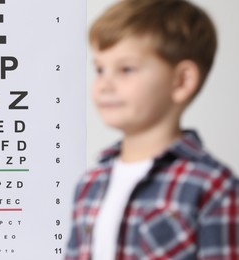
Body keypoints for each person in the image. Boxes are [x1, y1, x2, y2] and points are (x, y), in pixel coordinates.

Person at [65, 0, 239, 259]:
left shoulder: (211, 186)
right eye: (100, 69)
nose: (104, 84)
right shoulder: (90, 184)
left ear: (182, 81)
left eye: (126, 69)